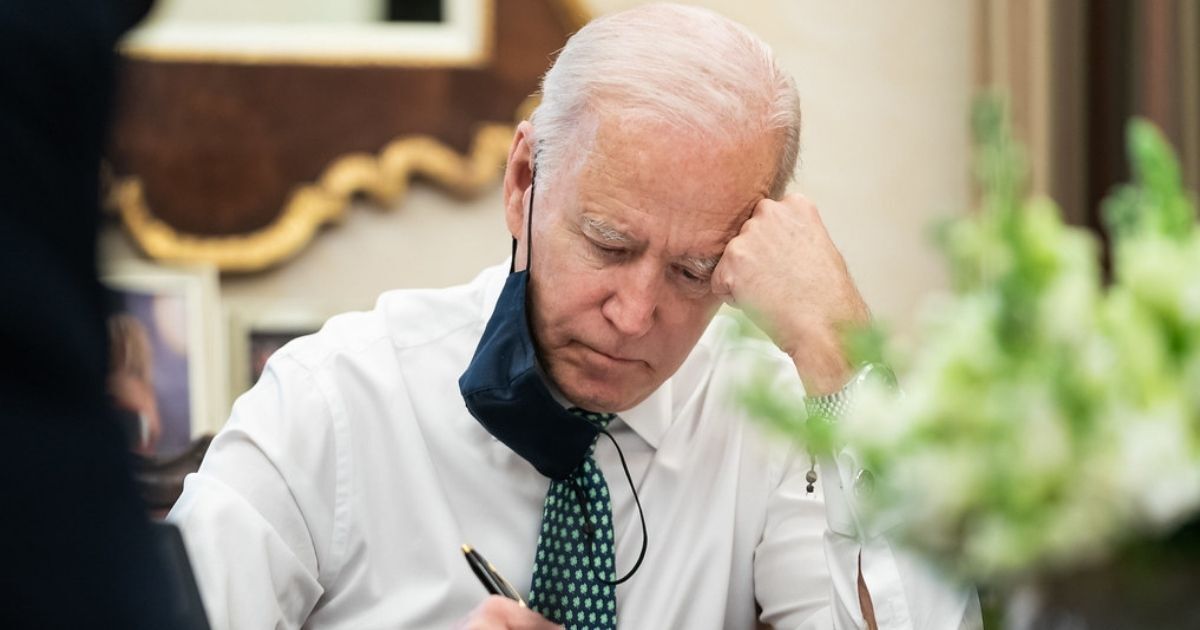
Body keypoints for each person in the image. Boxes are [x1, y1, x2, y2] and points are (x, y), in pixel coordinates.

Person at [169, 5, 981, 629]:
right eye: (607, 243)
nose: (633, 316)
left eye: (695, 270)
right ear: (524, 178)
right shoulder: (335, 403)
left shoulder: (767, 426)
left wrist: (838, 349)